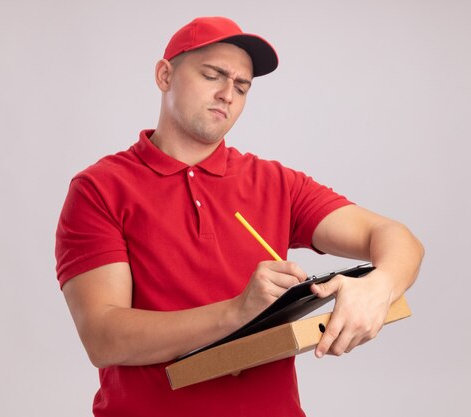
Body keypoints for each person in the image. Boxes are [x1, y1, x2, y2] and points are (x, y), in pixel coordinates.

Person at [55, 16, 424, 417]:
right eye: (212, 74)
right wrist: (237, 311)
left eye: (242, 86)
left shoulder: (276, 183)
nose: (227, 94)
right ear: (164, 75)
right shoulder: (99, 189)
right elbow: (104, 338)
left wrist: (379, 286)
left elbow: (394, 236)